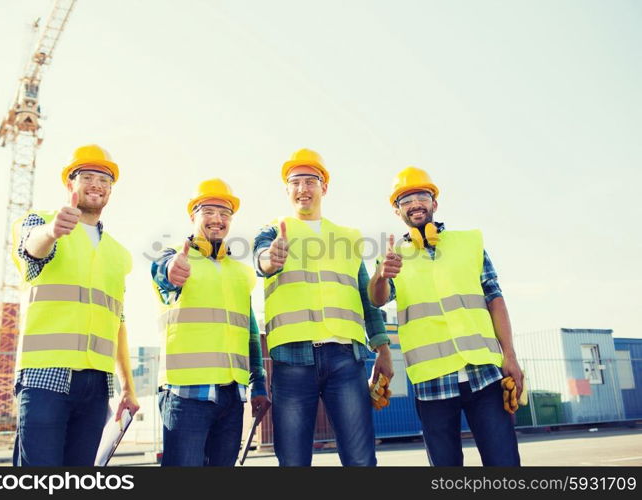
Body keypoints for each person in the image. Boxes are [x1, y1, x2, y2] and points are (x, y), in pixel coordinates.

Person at [368, 166, 522, 466]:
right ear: (397, 210)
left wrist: (510, 355)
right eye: (405, 199)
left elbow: (495, 298)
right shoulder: (391, 255)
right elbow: (378, 299)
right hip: (431, 378)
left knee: (504, 461)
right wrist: (381, 274)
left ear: (434, 203)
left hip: (484, 372)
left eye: (421, 196)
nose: (414, 204)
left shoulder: (470, 243)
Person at [254, 148, 393, 466]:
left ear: (324, 187)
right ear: (287, 190)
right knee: (293, 462)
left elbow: (367, 299)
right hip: (292, 361)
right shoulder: (274, 231)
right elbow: (261, 261)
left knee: (360, 459)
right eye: (295, 182)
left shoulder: (348, 238)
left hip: (345, 358)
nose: (303, 188)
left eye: (311, 181)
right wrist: (269, 258)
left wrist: (383, 349)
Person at [11, 144, 139, 466]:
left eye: (105, 179)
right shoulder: (40, 221)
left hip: (96, 383)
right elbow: (32, 249)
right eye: (88, 176)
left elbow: (118, 322)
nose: (97, 184)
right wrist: (52, 232)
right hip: (46, 376)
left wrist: (128, 387)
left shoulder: (118, 254)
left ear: (111, 190)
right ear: (70, 184)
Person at [151, 178, 270, 466]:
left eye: (225, 213)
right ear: (193, 216)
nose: (217, 219)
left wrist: (259, 384)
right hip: (185, 393)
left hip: (231, 394)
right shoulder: (174, 257)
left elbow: (250, 332)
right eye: (208, 211)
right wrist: (171, 270)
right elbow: (163, 273)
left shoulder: (240, 273)